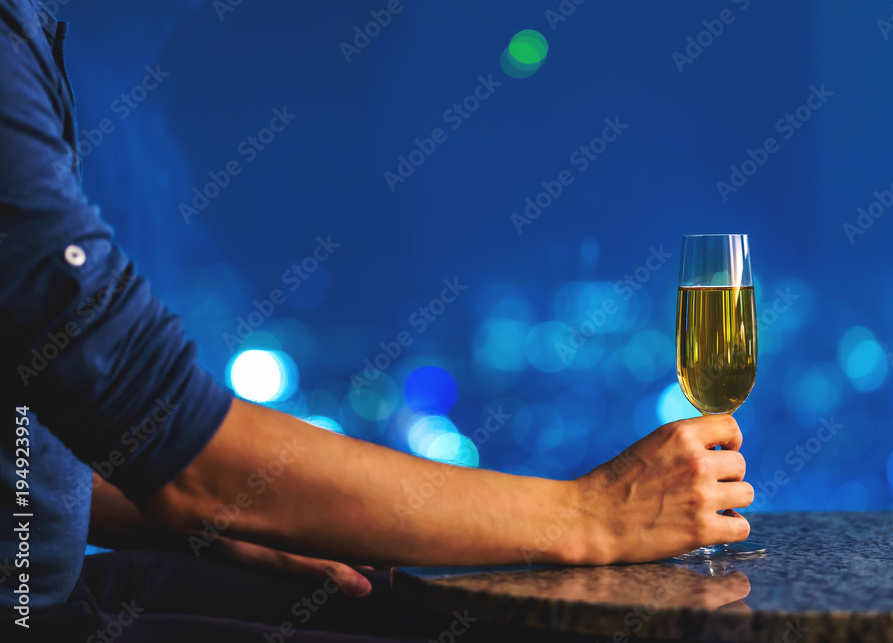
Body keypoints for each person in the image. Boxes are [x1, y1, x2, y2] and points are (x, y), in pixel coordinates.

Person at [0, 0, 754, 639]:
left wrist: (226, 517)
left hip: (47, 592)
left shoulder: (33, 39)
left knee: (386, 605)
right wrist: (587, 514)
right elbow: (169, 426)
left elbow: (45, 441)